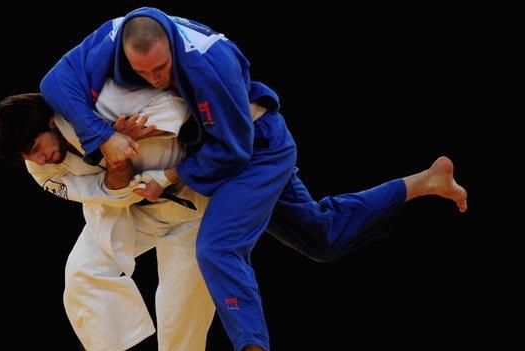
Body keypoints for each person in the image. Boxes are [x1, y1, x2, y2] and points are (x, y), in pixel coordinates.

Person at [39, 7, 468, 350]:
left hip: (256, 152)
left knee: (217, 247)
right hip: (229, 149)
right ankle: (424, 181)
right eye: (144, 72)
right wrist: (103, 136)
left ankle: (252, 346)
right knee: (322, 236)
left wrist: (169, 175)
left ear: (171, 45)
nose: (155, 80)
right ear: (125, 54)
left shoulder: (208, 63)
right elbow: (54, 81)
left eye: (162, 69)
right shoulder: (115, 36)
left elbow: (233, 150)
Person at [0, 85, 218, 351]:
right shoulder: (39, 169)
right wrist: (114, 150)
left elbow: (179, 103)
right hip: (125, 210)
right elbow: (109, 193)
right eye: (28, 155)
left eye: (37, 147)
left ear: (49, 121)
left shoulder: (91, 108)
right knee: (81, 274)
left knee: (180, 312)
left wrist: (140, 130)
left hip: (190, 200)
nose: (39, 160)